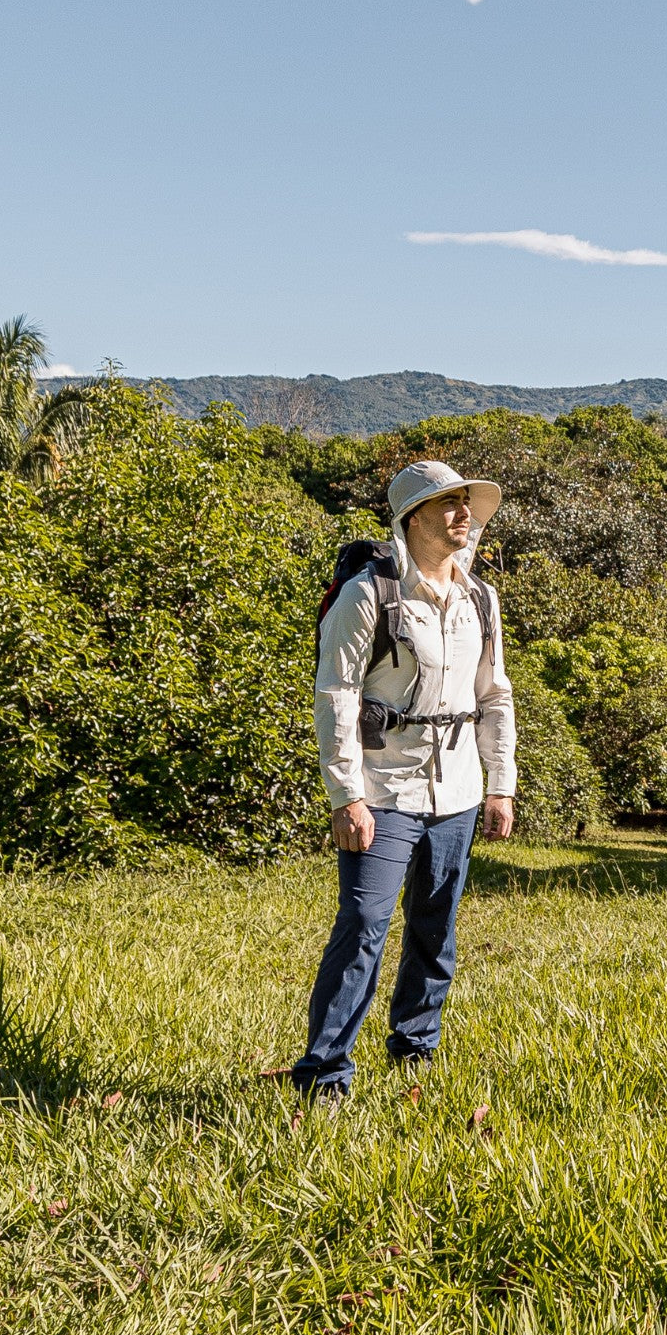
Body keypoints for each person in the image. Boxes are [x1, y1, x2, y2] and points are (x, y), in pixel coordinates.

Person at [291, 460, 517, 1101]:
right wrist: (346, 797)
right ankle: (325, 1074)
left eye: (467, 503)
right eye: (447, 504)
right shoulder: (370, 594)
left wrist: (500, 784)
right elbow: (335, 694)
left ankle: (415, 1052)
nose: (463, 514)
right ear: (410, 517)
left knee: (435, 923)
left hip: (459, 791)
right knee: (364, 921)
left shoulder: (480, 597)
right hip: (384, 788)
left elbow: (493, 694)